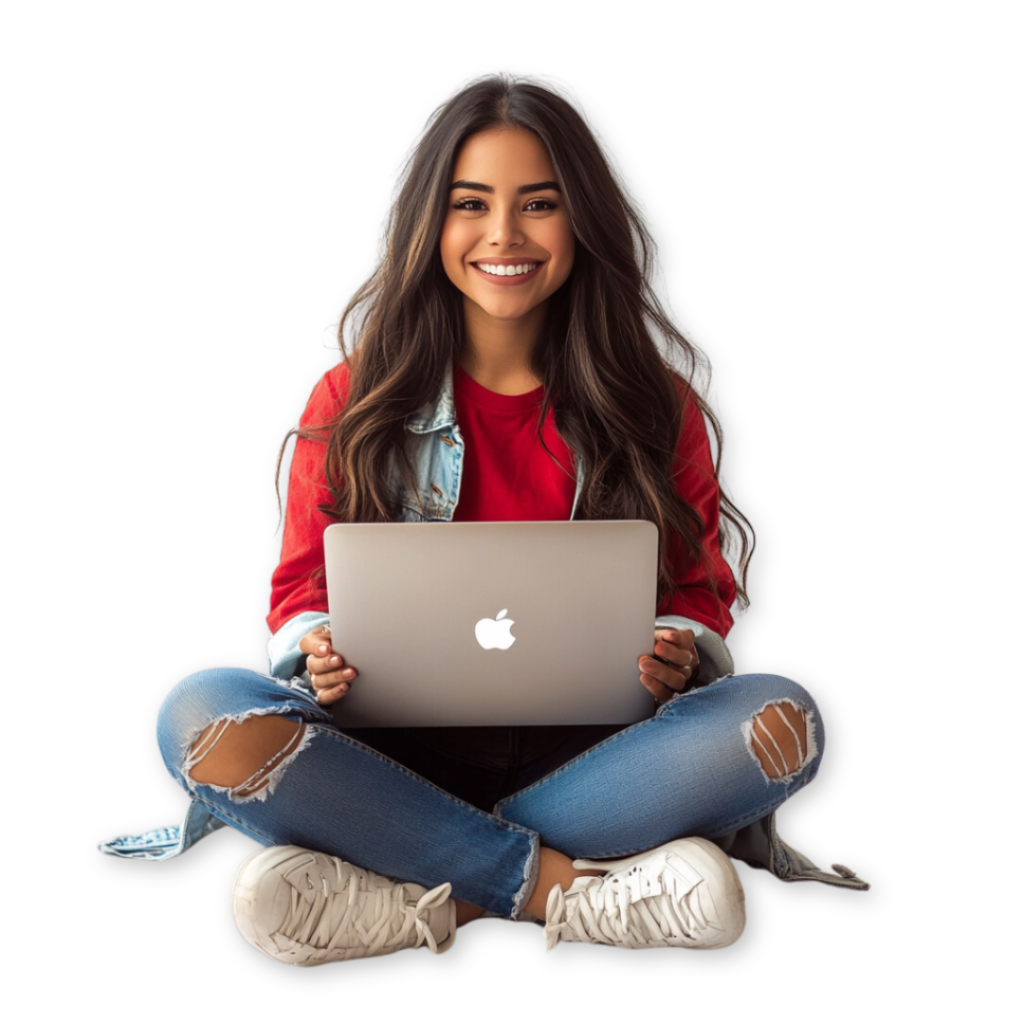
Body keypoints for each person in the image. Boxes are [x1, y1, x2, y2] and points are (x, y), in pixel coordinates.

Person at [97, 71, 869, 966]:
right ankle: (572, 892)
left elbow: (697, 591)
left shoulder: (658, 408)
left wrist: (676, 650)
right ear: (433, 223)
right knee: (198, 712)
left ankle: (418, 894)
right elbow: (302, 586)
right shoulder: (355, 397)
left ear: (582, 219)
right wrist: (315, 649)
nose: (505, 235)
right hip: (393, 755)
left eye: (538, 203)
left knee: (782, 720)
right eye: (473, 204)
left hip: (601, 762)